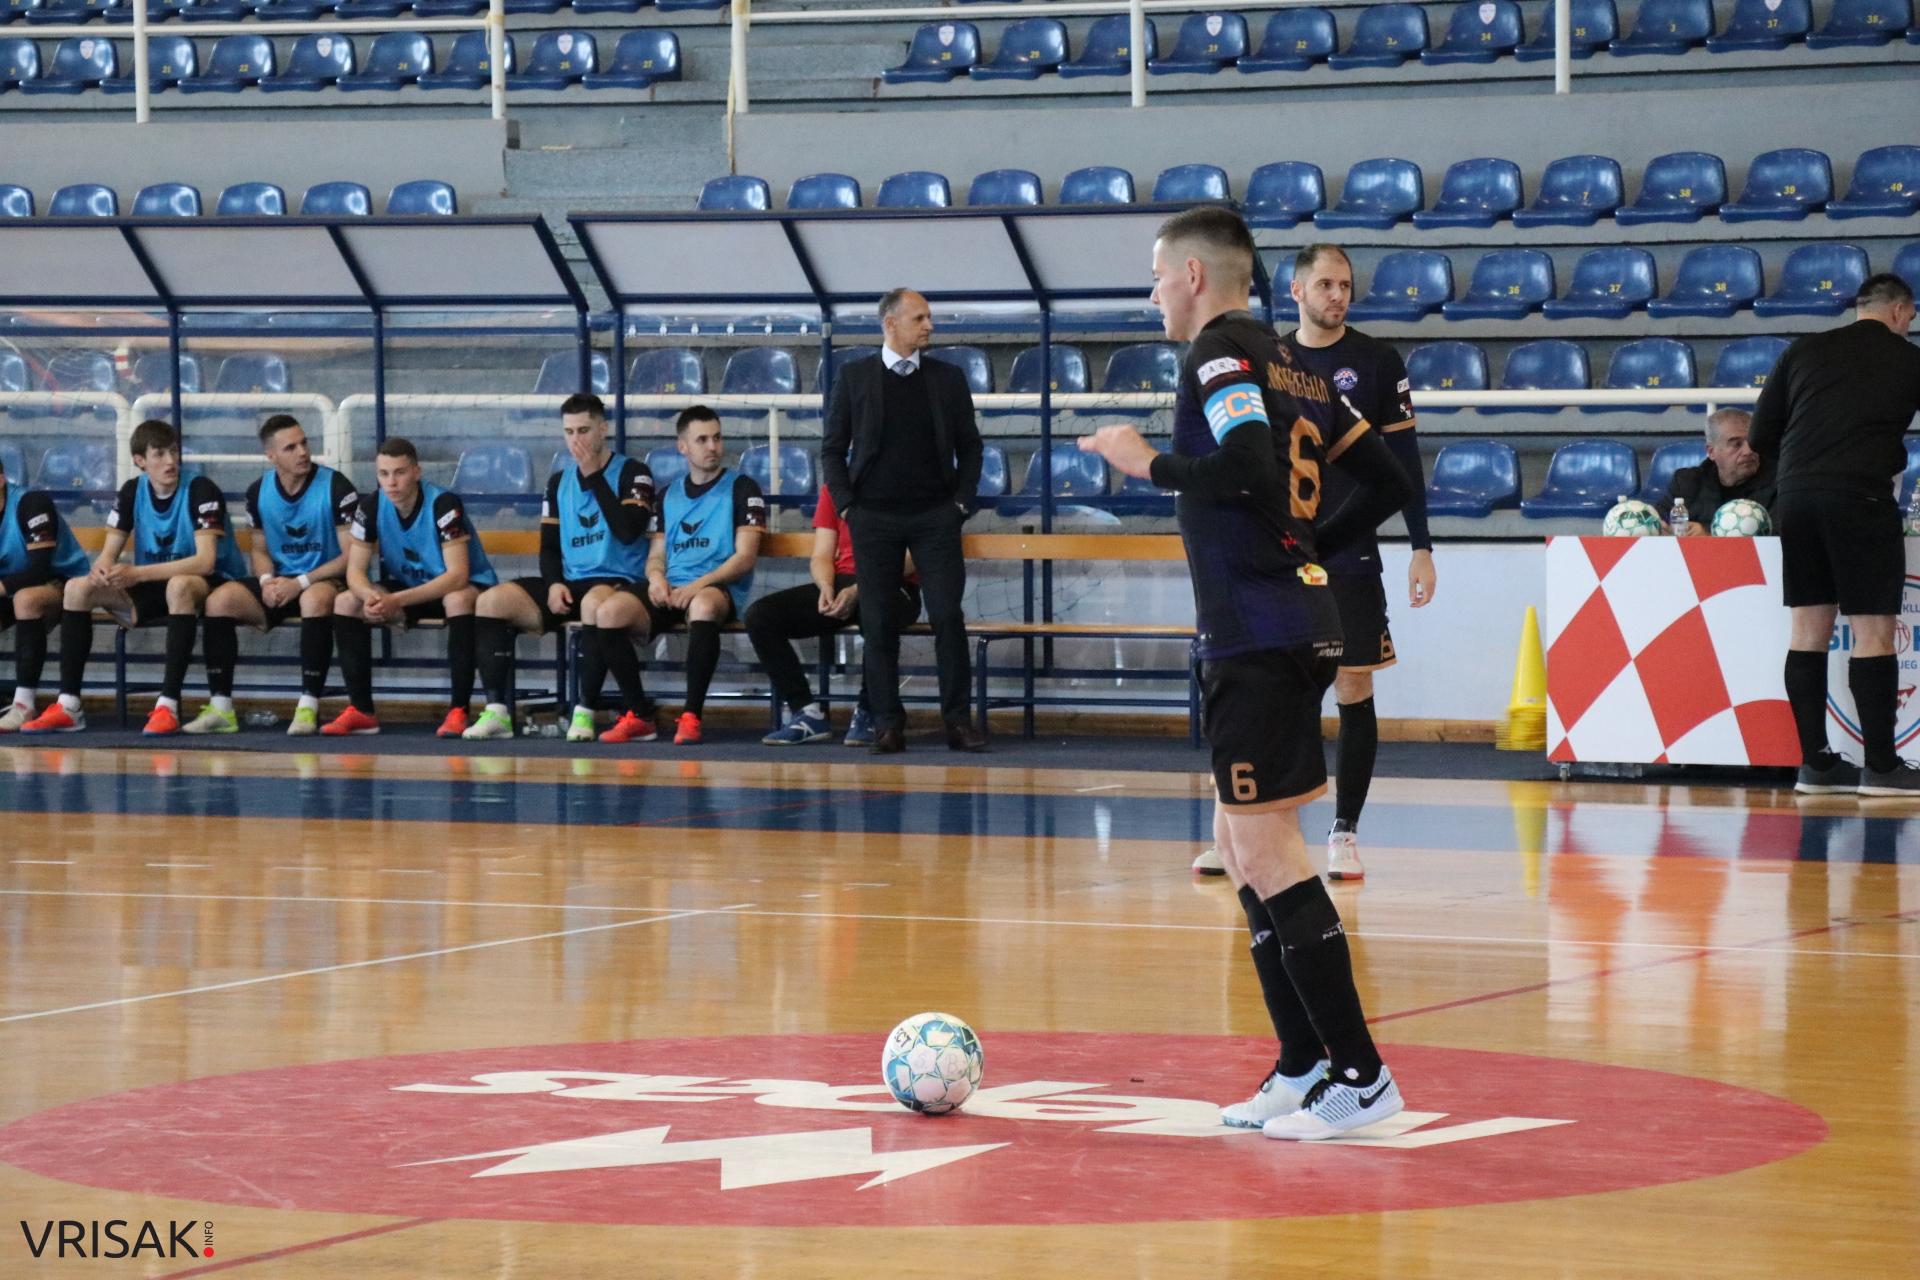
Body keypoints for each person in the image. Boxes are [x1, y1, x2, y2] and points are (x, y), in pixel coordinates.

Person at [1078, 206, 1414, 1139]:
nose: (1152, 294)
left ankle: (1361, 1076)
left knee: (1266, 853)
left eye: (1157, 276)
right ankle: (1301, 1064)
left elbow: (1244, 465)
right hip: (1293, 620)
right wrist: (1313, 549)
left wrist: (1143, 462)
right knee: (1238, 846)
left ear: (1193, 275)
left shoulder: (1220, 353)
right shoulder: (1296, 363)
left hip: (1257, 632)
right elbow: (1389, 481)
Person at [1751, 272, 1920, 798]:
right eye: (1910, 319)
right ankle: (1882, 768)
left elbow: (1759, 435)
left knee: (1807, 632)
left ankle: (1817, 766)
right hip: (1860, 496)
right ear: (1898, 311)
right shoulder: (1908, 358)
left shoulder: (1803, 351)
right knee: (1873, 633)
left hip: (1795, 497)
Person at [821, 288, 986, 755]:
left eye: (929, 317)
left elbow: (971, 447)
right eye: (920, 318)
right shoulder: (854, 376)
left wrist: (960, 505)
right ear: (890, 323)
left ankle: (957, 721)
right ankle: (886, 723)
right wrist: (848, 507)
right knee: (877, 623)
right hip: (873, 518)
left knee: (948, 617)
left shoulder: (948, 378)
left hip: (936, 517)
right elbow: (832, 449)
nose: (929, 325)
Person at [22, 419, 248, 735]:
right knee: (77, 588)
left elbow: (205, 562)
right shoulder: (132, 491)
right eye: (160, 454)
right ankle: (69, 705)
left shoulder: (201, 489)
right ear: (140, 460)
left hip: (210, 585)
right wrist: (101, 570)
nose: (170, 461)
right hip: (152, 583)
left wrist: (137, 573)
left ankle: (167, 706)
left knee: (180, 585)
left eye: (174, 452)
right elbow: (108, 553)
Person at [464, 393, 656, 743]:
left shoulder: (633, 472)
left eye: (583, 430)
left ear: (603, 429)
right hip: (570, 581)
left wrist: (595, 476)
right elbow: (549, 547)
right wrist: (553, 583)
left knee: (594, 603)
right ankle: (497, 711)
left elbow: (629, 531)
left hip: (619, 581)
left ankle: (584, 711)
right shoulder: (558, 483)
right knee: (490, 602)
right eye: (569, 432)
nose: (575, 440)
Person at [194, 416, 357, 736]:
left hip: (322, 579)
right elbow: (259, 549)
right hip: (281, 582)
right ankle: (221, 707)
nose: (302, 452)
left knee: (314, 599)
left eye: (304, 443)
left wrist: (300, 582)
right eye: (290, 447)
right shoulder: (258, 491)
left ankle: (308, 706)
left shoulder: (336, 486)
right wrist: (267, 582)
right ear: (271, 455)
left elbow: (350, 556)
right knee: (219, 601)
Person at [327, 437, 498, 737]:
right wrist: (370, 596)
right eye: (384, 474)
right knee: (346, 602)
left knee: (457, 600)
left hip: (459, 587)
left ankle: (459, 710)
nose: (391, 482)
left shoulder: (444, 504)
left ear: (417, 472)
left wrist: (396, 600)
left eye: (400, 472)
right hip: (409, 588)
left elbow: (457, 576)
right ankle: (362, 710)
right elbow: (354, 572)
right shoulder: (371, 506)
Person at [746, 480, 921, 747]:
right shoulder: (835, 488)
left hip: (894, 585)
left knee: (875, 612)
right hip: (841, 582)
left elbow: (912, 556)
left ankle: (870, 710)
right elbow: (821, 555)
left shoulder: (907, 481)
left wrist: (858, 590)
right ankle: (806, 712)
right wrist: (825, 587)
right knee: (761, 616)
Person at [638, 406, 765, 745]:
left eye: (717, 438)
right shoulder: (667, 494)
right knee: (609, 612)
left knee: (703, 606)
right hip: (672, 588)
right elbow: (656, 555)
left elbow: (745, 558)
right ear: (683, 447)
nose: (713, 446)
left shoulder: (743, 488)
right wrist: (656, 578)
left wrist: (695, 587)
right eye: (703, 439)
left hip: (718, 588)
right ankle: (638, 713)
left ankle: (691, 715)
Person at [0, 450, 91, 732]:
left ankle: (24, 705)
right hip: (10, 588)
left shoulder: (32, 504)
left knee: (27, 599)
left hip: (64, 583)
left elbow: (39, 569)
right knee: (21, 598)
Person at [1666, 408, 1775, 535]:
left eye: (1752, 441)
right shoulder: (1686, 482)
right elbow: (1660, 522)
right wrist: (1663, 528)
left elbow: (1779, 538)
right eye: (1737, 444)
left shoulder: (1779, 483)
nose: (1748, 451)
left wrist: (1709, 538)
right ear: (1711, 452)